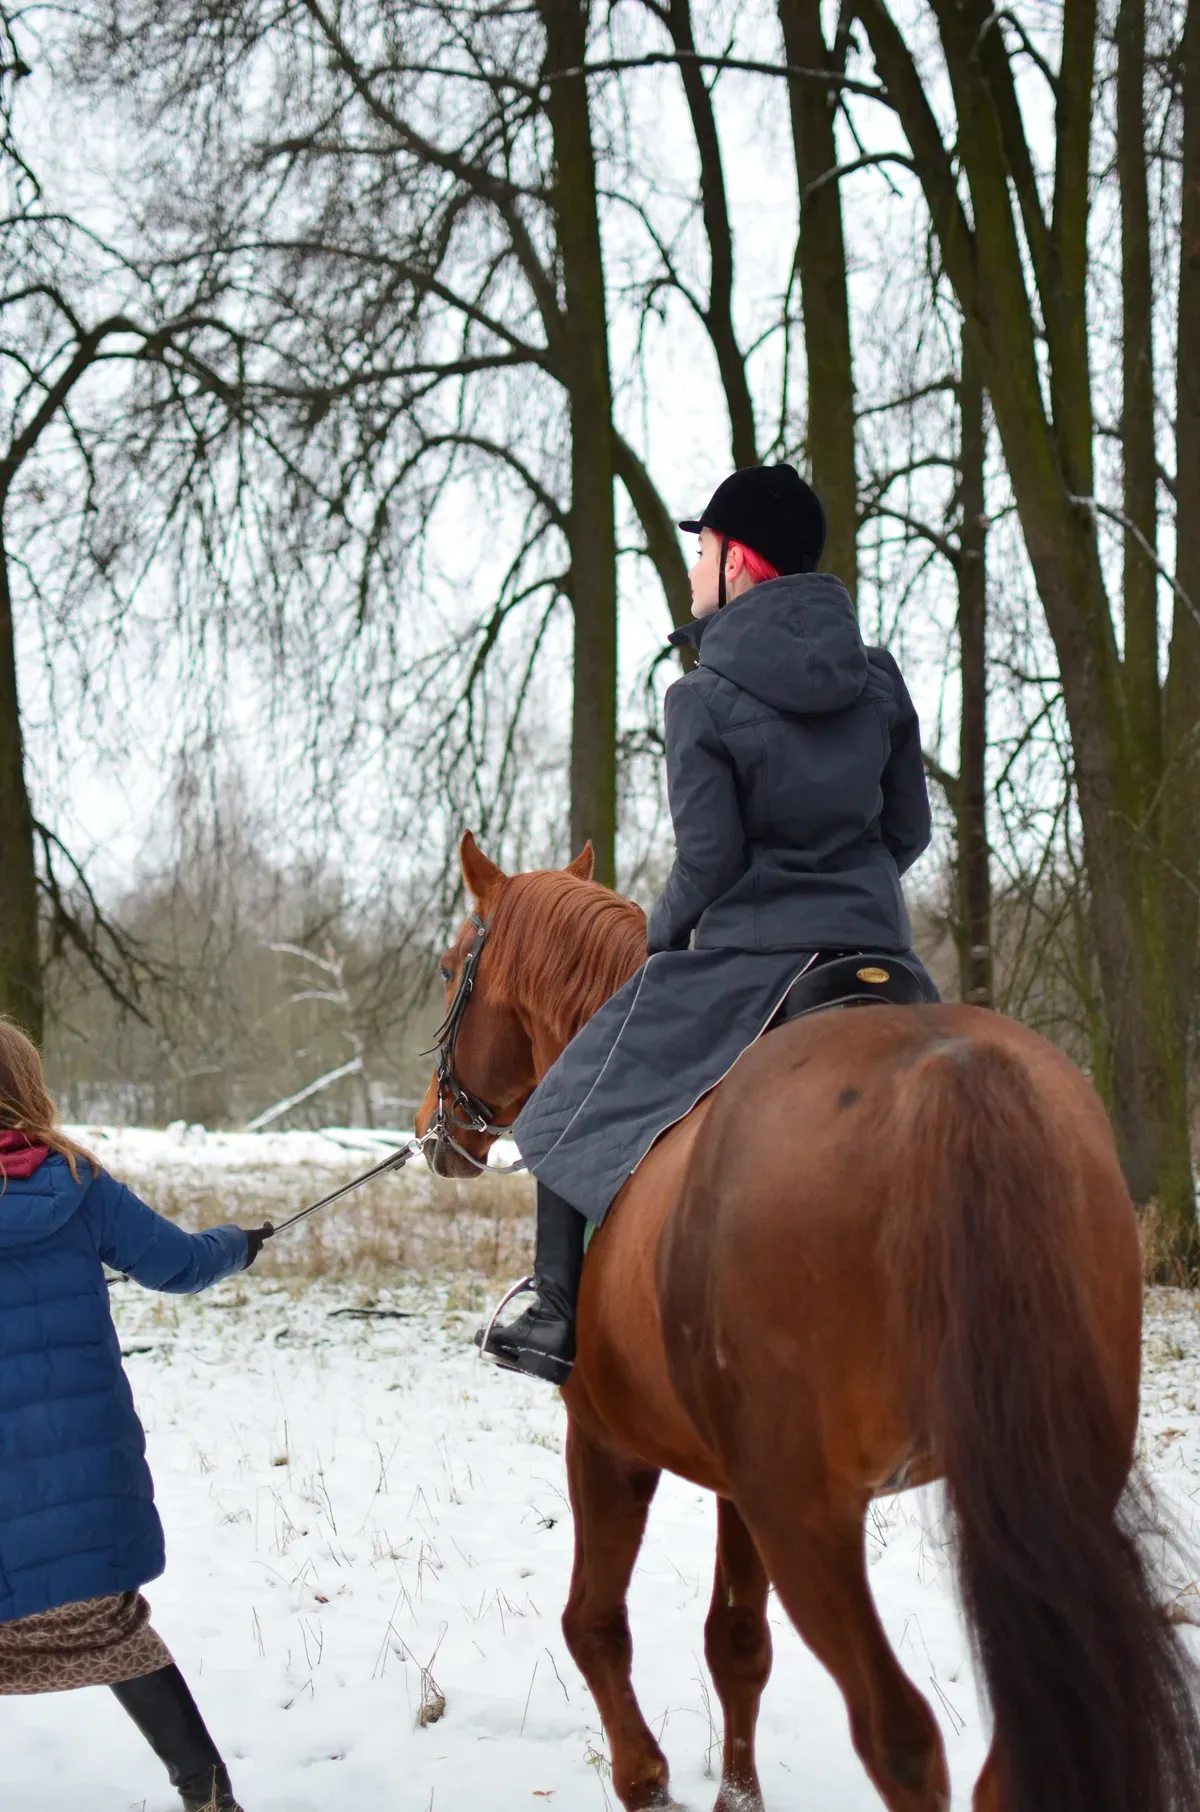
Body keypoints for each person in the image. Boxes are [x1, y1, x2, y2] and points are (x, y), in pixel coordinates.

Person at [478, 463, 936, 1385]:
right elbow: (908, 829)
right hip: (882, 957)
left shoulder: (700, 698)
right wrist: (850, 892)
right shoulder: (878, 679)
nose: (692, 570)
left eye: (700, 550)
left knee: (566, 1097)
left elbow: (711, 863)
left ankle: (554, 1311)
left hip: (753, 964)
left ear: (740, 563)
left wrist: (655, 938)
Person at [0, 1016, 272, 1811]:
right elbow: (180, 1264)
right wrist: (237, 1244)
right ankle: (208, 1791)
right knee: (112, 1626)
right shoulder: (75, 1182)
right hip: (79, 1464)